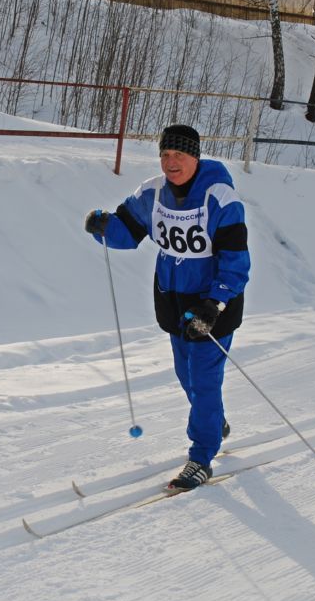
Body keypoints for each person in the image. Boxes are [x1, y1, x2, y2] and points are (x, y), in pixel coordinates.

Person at [84, 124, 250, 490]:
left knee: (205, 380)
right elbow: (127, 232)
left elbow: (236, 262)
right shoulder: (153, 193)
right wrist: (104, 226)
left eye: (180, 155)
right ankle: (214, 420)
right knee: (186, 375)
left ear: (196, 156)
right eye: (165, 155)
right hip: (173, 301)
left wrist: (214, 305)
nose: (171, 162)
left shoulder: (220, 198)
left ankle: (202, 455)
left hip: (212, 306)